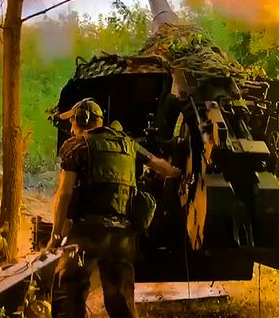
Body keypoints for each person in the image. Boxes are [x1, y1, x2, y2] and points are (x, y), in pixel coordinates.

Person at [47, 97, 180, 318]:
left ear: (83, 119)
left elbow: (65, 193)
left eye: (72, 121)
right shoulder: (127, 144)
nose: (71, 128)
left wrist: (55, 233)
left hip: (87, 235)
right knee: (121, 301)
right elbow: (163, 168)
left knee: (66, 291)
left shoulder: (76, 146)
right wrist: (180, 172)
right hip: (122, 239)